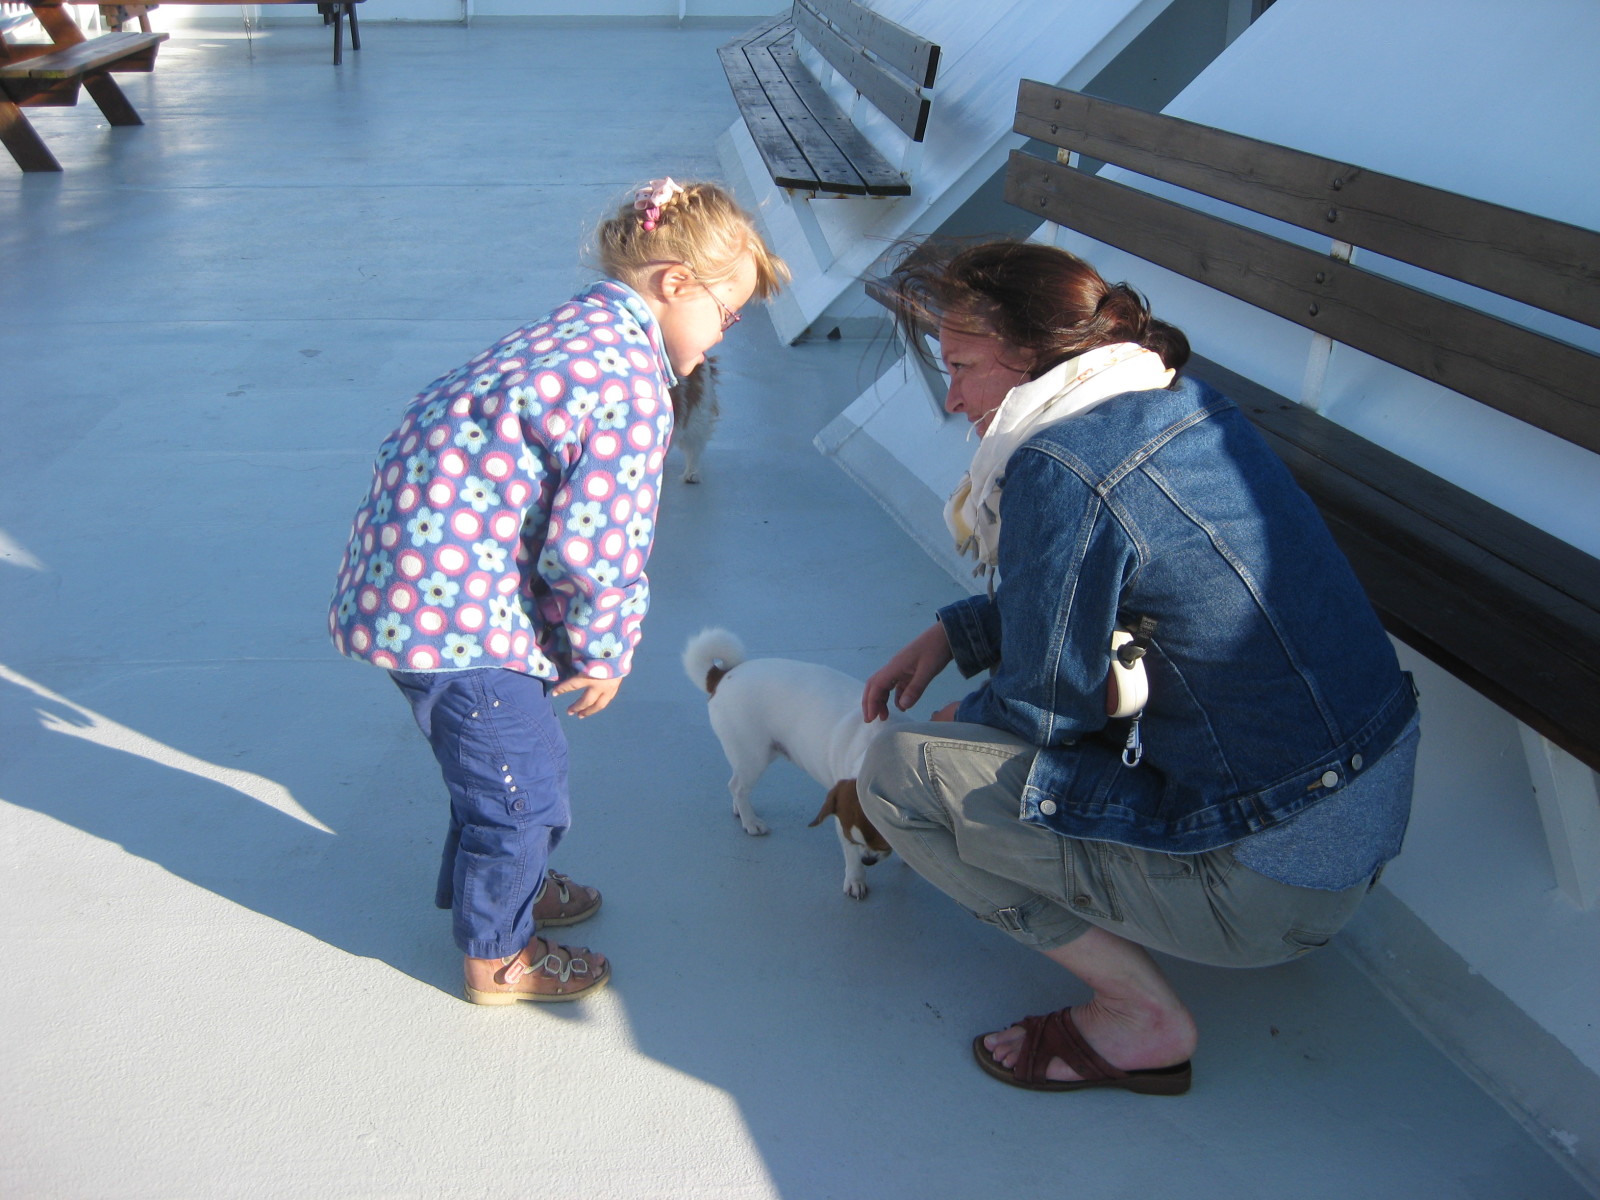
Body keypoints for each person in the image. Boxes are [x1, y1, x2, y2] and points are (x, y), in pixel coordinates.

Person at [857, 239, 1419, 1094]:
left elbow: (1044, 712)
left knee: (900, 775)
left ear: (1034, 357)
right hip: (1356, 824)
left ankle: (1136, 1015)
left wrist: (960, 727)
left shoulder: (1055, 467)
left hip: (1271, 889)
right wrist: (959, 634)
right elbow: (1110, 572)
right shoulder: (1178, 399)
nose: (953, 398)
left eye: (963, 367)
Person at [329, 179, 787, 1005]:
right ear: (675, 283)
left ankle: (509, 887)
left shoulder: (574, 332)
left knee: (494, 768)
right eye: (728, 314)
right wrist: (604, 652)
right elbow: (598, 547)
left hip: (420, 584)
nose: (727, 332)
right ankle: (500, 957)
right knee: (524, 794)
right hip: (458, 617)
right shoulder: (630, 388)